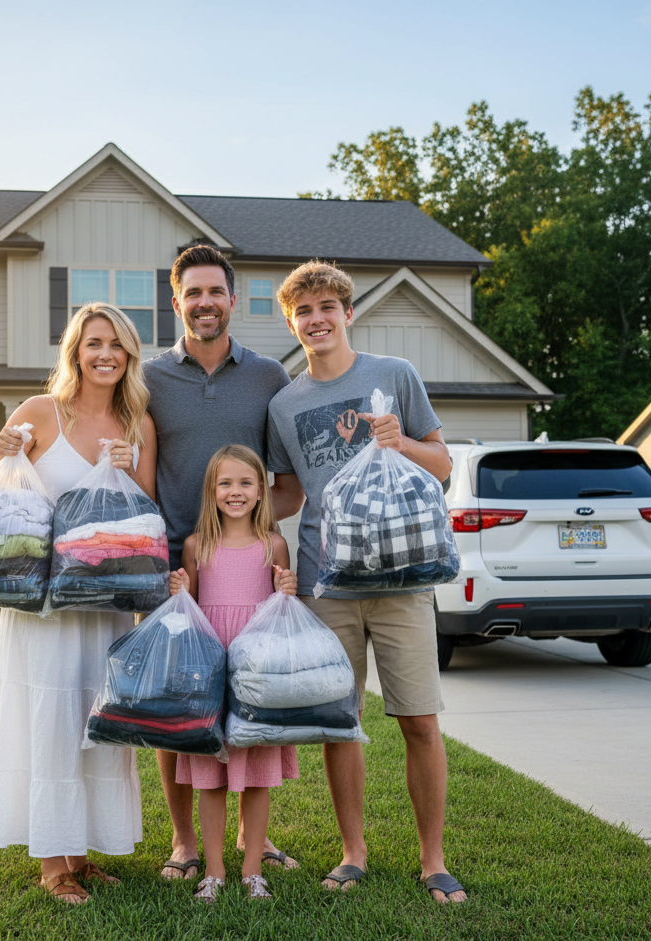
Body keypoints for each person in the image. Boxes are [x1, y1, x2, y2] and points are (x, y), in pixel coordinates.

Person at [265, 260, 468, 903]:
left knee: (419, 722)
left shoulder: (393, 376)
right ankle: (353, 852)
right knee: (339, 722)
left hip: (404, 579)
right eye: (304, 311)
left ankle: (432, 859)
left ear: (349, 314)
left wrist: (400, 442)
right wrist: (223, 526)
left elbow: (441, 467)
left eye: (328, 307)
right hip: (329, 586)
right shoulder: (284, 404)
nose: (317, 319)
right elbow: (290, 494)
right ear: (291, 322)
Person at [0, 303, 158, 905]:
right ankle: (54, 864)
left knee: (92, 722)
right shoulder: (38, 413)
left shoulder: (138, 426)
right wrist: (2, 452)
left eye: (117, 346)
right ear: (75, 351)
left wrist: (133, 472)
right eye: (93, 343)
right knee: (50, 721)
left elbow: (148, 518)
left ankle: (81, 853)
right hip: (42, 607)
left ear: (129, 356)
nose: (105, 354)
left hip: (104, 604)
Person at [143, 243, 303, 880]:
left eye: (216, 292)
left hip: (245, 574)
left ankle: (252, 841)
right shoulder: (150, 378)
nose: (204, 304)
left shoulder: (269, 378)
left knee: (250, 702)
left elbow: (288, 481)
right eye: (193, 293)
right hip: (172, 570)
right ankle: (185, 840)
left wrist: (255, 539)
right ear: (176, 302)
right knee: (174, 707)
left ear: (233, 300)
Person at [167, 445, 299, 902]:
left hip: (255, 674)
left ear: (262, 491)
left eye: (246, 483)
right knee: (211, 774)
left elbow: (283, 612)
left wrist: (288, 590)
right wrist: (179, 591)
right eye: (226, 483)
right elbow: (190, 614)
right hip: (211, 674)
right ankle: (215, 870)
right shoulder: (196, 545)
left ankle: (251, 870)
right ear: (211, 490)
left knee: (256, 772)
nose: (235, 492)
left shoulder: (273, 545)